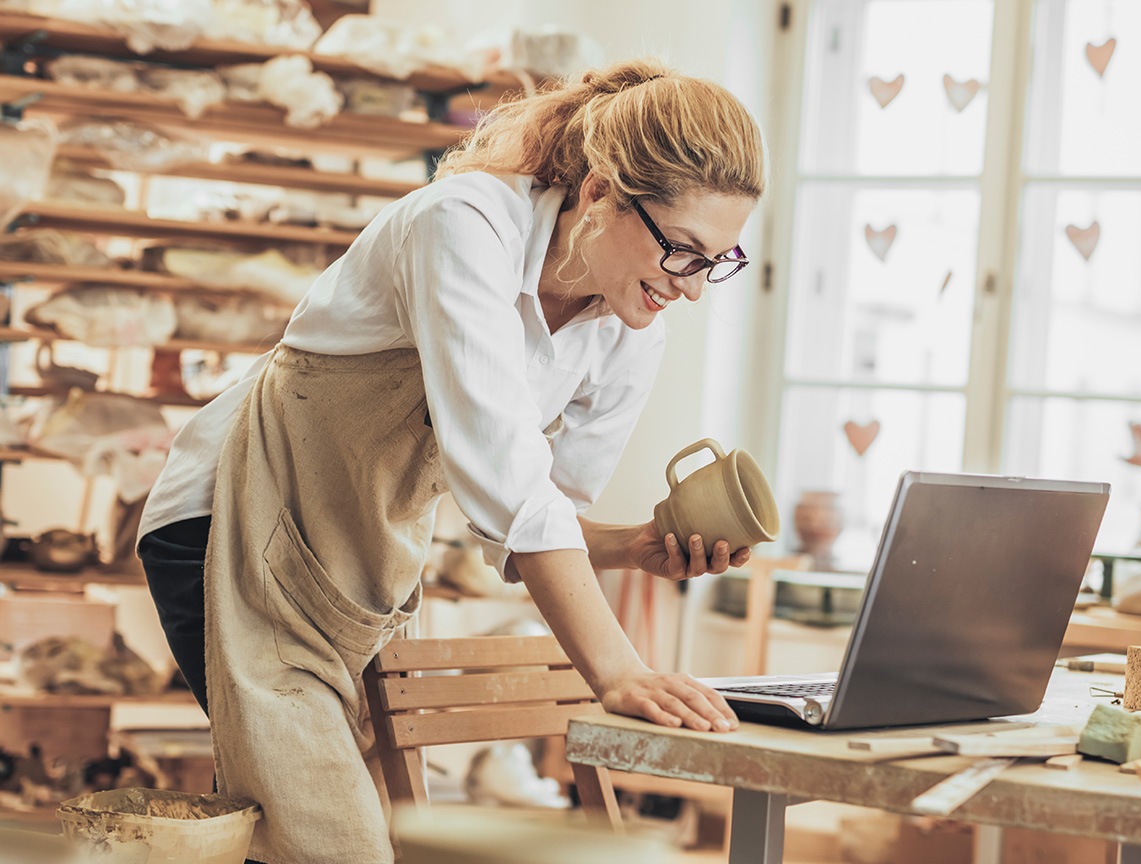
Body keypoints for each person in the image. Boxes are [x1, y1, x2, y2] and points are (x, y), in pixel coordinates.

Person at [137, 57, 767, 864]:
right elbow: (509, 491)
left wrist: (631, 547)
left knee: (337, 829)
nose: (692, 287)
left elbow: (537, 516)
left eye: (718, 260)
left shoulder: (626, 328)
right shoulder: (464, 225)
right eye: (682, 250)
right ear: (603, 191)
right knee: (323, 833)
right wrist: (618, 671)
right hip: (228, 525)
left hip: (356, 569)